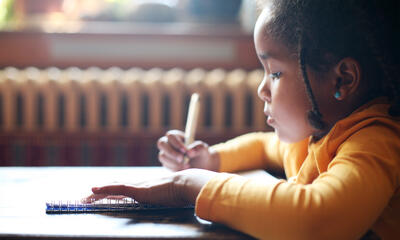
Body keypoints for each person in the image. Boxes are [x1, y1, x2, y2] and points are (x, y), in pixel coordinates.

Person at [85, 0, 400, 239]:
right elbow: (265, 147)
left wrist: (191, 185)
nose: (262, 89)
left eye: (275, 73)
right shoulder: (320, 135)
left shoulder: (376, 141)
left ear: (342, 80)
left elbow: (318, 218)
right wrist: (210, 158)